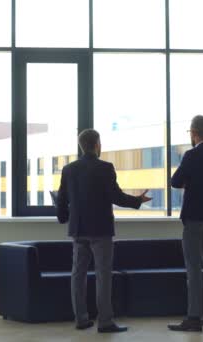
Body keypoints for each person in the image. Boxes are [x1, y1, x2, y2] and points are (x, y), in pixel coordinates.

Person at [56, 129, 151, 333]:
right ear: (97, 144)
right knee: (103, 275)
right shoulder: (105, 168)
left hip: (78, 230)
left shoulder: (69, 169)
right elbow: (116, 197)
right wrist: (137, 200)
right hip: (101, 231)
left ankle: (81, 319)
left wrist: (63, 218)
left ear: (82, 146)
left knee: (77, 275)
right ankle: (105, 322)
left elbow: (62, 199)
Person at [168, 115, 203, 332]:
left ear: (194, 133)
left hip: (193, 217)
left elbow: (175, 181)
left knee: (193, 267)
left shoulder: (191, 155)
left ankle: (193, 317)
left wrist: (189, 180)